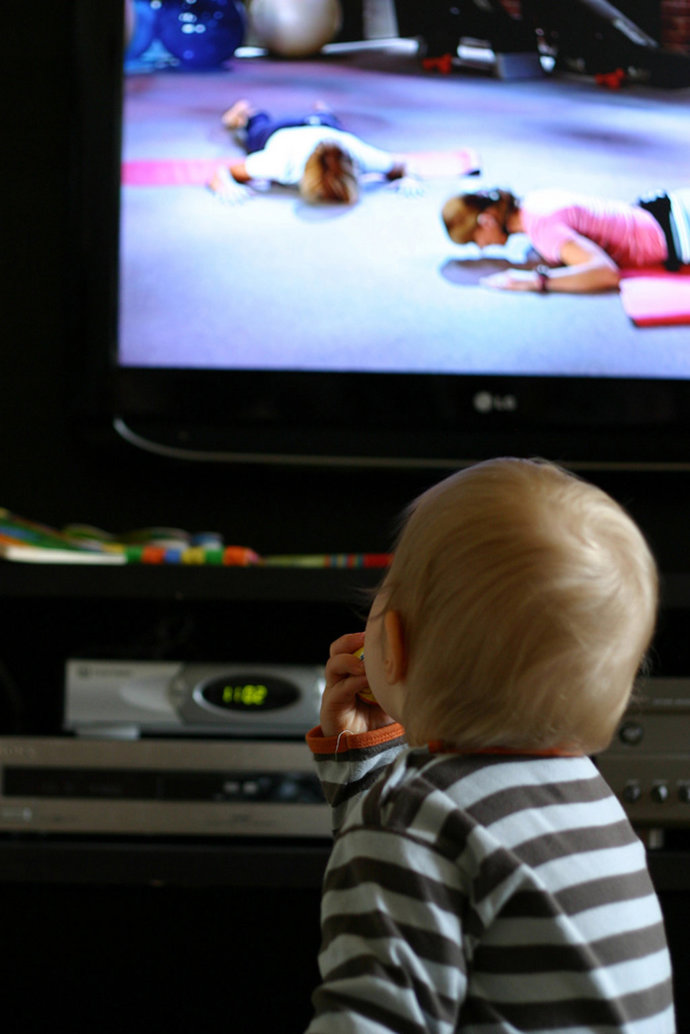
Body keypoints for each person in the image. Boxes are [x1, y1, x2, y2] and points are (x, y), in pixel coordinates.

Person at [304, 457, 675, 1033]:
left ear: (392, 646)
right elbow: (413, 878)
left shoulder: (412, 817)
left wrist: (380, 798)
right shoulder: (583, 799)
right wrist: (366, 758)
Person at [441, 186, 690, 293]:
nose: (482, 249)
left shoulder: (542, 228)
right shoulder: (534, 202)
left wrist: (533, 281)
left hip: (679, 233)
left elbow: (605, 273)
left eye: (475, 240)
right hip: (668, 207)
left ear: (487, 221)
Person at [208, 99, 410, 205]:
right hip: (282, 132)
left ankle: (324, 111)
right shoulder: (281, 165)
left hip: (325, 128)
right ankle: (246, 113)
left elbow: (403, 165)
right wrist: (224, 187)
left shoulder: (359, 156)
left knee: (329, 121)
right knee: (257, 128)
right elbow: (224, 172)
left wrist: (410, 178)